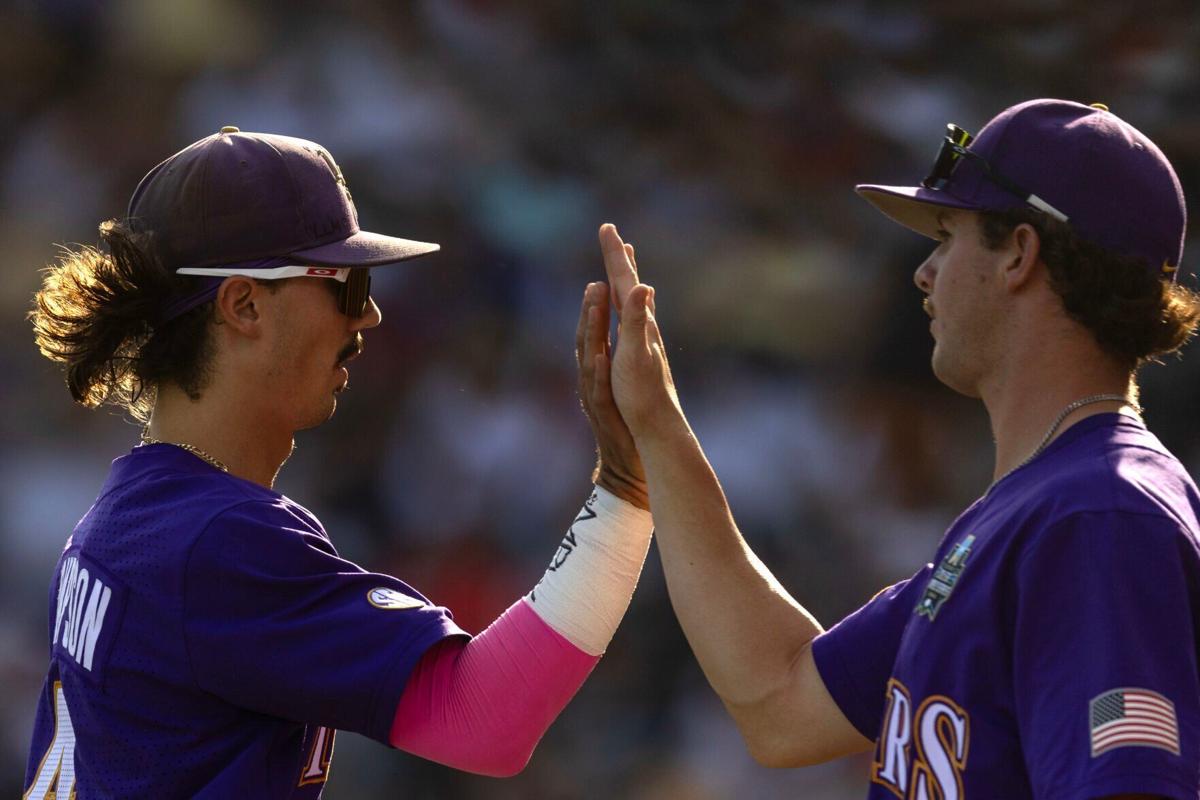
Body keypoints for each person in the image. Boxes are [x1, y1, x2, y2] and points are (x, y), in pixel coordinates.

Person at [583, 99, 1200, 799]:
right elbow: (779, 706)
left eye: (947, 235)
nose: (924, 272)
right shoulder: (1032, 509)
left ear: (1020, 255)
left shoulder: (1100, 516)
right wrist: (657, 428)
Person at [24, 127, 653, 798]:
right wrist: (625, 488)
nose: (371, 317)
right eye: (348, 287)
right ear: (243, 304)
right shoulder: (218, 541)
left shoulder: (121, 520)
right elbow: (486, 718)